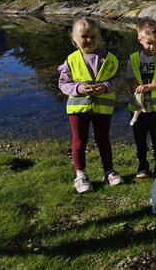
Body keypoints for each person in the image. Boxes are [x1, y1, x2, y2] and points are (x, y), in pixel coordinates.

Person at [58, 17, 123, 193]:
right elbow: (63, 84)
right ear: (74, 37)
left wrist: (106, 87)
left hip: (103, 108)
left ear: (99, 37)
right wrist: (79, 88)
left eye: (94, 36)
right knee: (79, 141)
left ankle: (109, 171)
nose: (89, 40)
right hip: (77, 109)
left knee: (104, 140)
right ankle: (80, 175)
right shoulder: (71, 60)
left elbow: (118, 79)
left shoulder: (109, 58)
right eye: (84, 36)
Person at [126, 18, 156, 179]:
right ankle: (142, 165)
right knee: (140, 139)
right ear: (140, 39)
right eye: (149, 43)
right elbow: (132, 82)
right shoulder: (133, 59)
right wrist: (139, 90)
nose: (152, 47)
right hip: (138, 108)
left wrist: (149, 87)